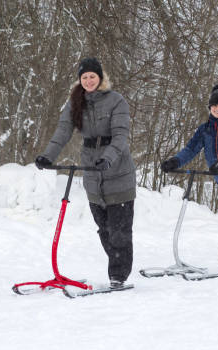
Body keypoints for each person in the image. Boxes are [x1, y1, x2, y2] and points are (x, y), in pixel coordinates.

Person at [34, 58, 136, 289]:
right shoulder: (75, 102)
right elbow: (63, 131)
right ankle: (117, 264)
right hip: (92, 171)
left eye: (92, 76)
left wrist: (107, 158)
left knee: (119, 230)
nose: (89, 81)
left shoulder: (116, 101)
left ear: (100, 78)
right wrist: (47, 156)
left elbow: (120, 136)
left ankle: (118, 274)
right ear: (80, 80)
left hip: (117, 171)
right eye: (84, 77)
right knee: (104, 228)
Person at [161, 84, 218, 274]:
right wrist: (175, 161)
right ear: (210, 108)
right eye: (214, 105)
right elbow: (191, 149)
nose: (217, 108)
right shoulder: (205, 129)